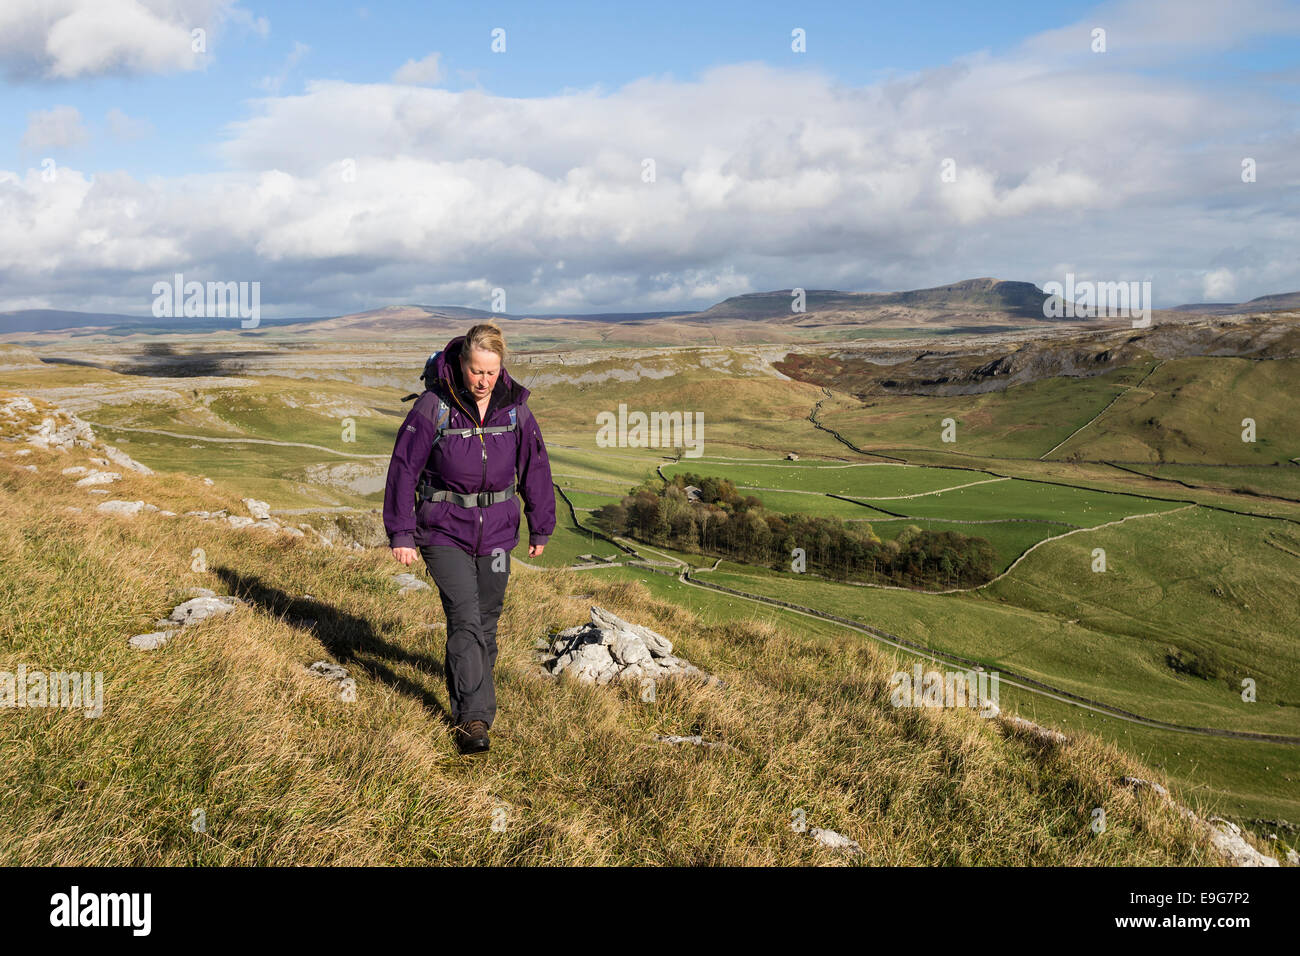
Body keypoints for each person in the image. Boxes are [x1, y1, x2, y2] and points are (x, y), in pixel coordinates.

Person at [382, 322, 555, 754]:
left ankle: (470, 694)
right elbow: (403, 468)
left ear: (502, 368)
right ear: (461, 365)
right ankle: (474, 720)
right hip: (443, 531)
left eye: (491, 373)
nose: (482, 381)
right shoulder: (432, 406)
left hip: (497, 535)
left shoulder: (516, 410)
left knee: (487, 619)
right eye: (476, 371)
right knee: (464, 615)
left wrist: (540, 524)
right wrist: (401, 532)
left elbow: (535, 466)